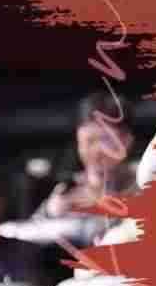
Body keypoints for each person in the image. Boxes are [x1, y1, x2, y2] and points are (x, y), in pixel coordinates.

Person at [36, 90, 136, 218]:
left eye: (106, 140)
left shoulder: (144, 182)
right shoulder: (67, 190)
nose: (96, 152)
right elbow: (33, 226)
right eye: (88, 141)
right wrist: (50, 212)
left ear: (127, 141)